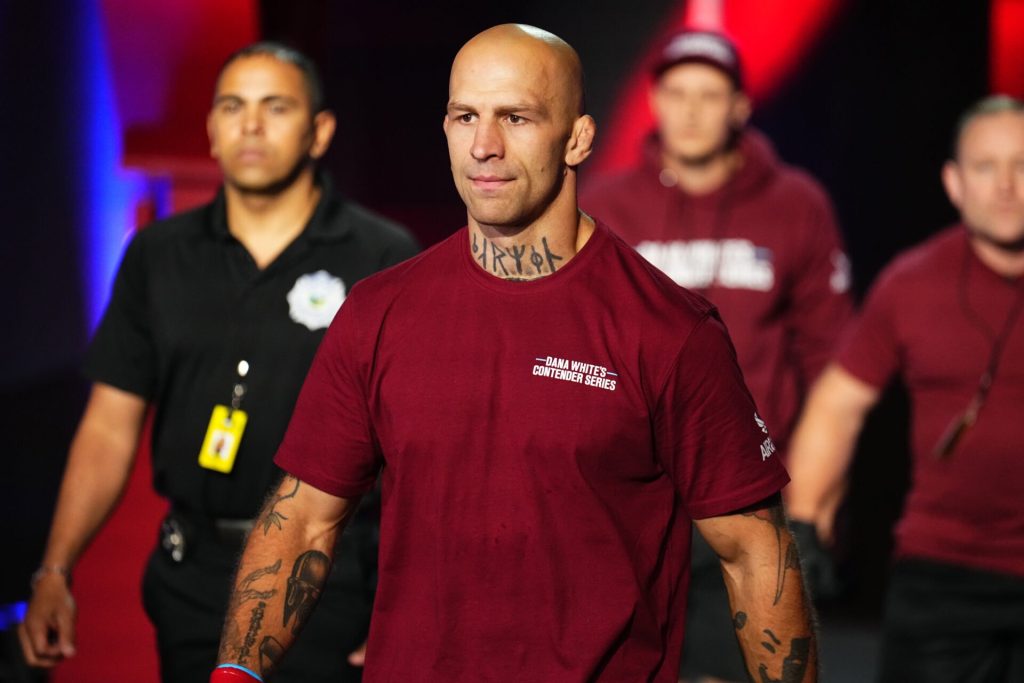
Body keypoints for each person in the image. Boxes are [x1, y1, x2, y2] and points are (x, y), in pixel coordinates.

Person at [209, 24, 818, 683]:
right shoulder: (378, 313)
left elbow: (754, 552)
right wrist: (235, 673)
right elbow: (302, 518)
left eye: (516, 117)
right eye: (465, 116)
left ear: (577, 138)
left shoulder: (669, 330)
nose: (484, 145)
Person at [17, 42, 418, 682]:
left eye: (275, 107)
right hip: (193, 575)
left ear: (320, 131)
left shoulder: (381, 255)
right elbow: (109, 424)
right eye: (232, 106)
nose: (250, 125)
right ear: (211, 128)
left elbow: (413, 446)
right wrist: (55, 569)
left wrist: (406, 596)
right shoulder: (157, 254)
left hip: (327, 578)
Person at [580, 29, 852, 682]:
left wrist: (815, 500)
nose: (692, 111)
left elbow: (834, 364)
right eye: (677, 93)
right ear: (655, 102)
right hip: (630, 494)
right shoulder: (604, 205)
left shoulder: (796, 204)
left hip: (752, 493)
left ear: (739, 107)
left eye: (709, 95)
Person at [785, 94, 1024, 683]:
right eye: (986, 166)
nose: (1005, 185)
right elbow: (838, 405)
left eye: (1022, 165)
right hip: (943, 574)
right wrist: (804, 529)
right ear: (953, 182)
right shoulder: (911, 283)